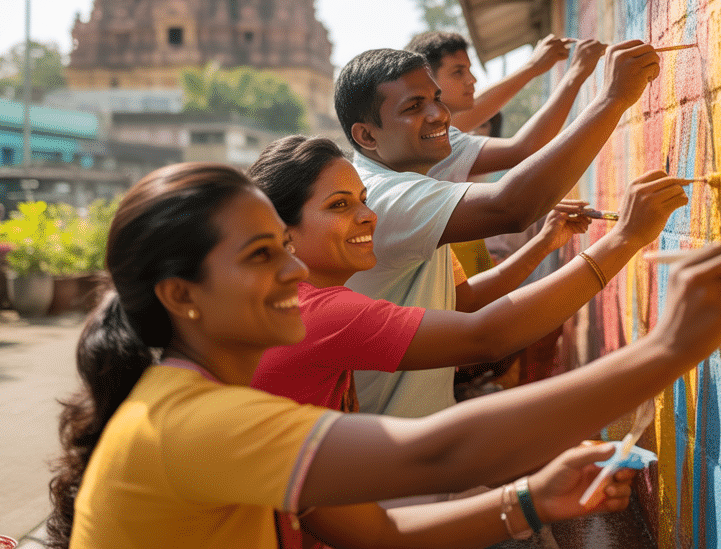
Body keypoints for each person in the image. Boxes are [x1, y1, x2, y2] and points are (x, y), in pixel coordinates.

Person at [48, 162, 721, 549]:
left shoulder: (215, 402)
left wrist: (530, 501)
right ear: (182, 295)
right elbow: (438, 453)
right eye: (264, 256)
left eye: (285, 250)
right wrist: (669, 347)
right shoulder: (190, 420)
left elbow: (372, 527)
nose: (294, 273)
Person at [246, 135, 689, 413]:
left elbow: (464, 302)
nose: (368, 216)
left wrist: (546, 243)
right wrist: (626, 238)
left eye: (362, 200)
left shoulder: (293, 302)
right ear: (281, 229)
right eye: (339, 206)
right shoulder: (320, 311)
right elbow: (485, 335)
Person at [334, 42, 663, 416]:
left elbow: (466, 301)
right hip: (387, 440)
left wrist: (542, 244)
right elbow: (513, 206)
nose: (440, 115)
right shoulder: (382, 197)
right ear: (367, 136)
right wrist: (613, 99)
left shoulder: (410, 173)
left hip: (416, 429)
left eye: (436, 99)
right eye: (413, 106)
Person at [405, 31, 608, 182]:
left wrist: (533, 68)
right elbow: (523, 150)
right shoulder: (435, 141)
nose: (472, 80)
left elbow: (479, 106)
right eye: (458, 72)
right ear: (427, 80)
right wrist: (577, 73)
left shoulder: (422, 131)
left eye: (469, 70)